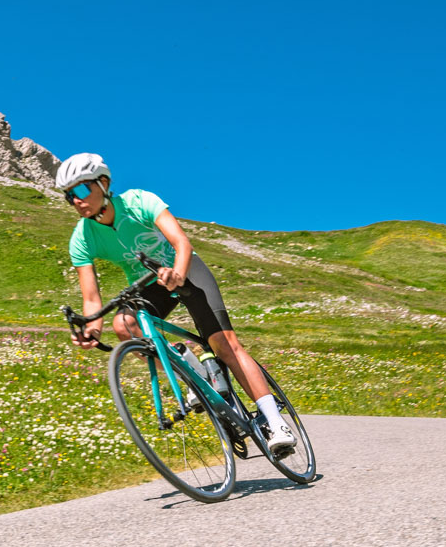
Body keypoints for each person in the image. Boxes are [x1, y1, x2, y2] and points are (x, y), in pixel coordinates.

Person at [58, 152, 297, 451]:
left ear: (104, 183)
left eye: (81, 189)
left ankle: (275, 421)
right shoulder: (81, 238)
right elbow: (91, 298)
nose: (76, 200)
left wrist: (178, 274)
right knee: (124, 325)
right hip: (148, 283)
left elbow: (181, 243)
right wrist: (91, 330)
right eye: (69, 196)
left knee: (224, 345)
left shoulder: (139, 201)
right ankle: (194, 373)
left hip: (186, 269)